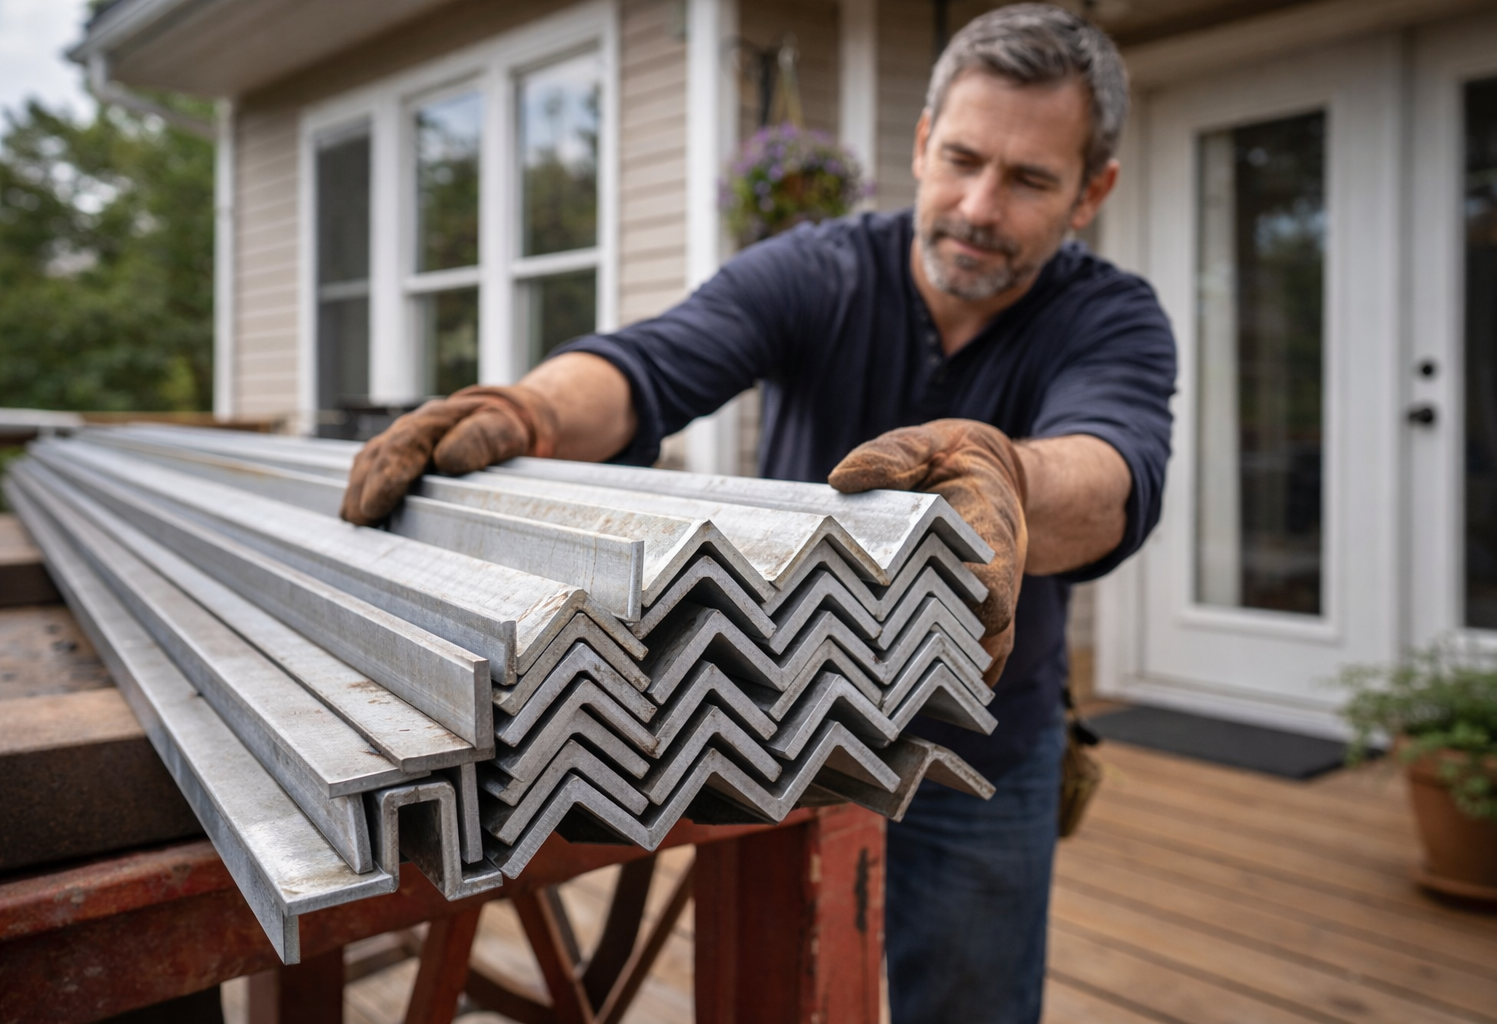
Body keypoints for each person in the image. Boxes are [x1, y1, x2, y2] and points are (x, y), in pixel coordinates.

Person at [341, 5, 1176, 1021]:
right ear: (919, 143)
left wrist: (1010, 474)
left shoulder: (1112, 315)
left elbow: (1114, 477)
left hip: (984, 753)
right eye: (959, 158)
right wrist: (530, 408)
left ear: (1094, 190)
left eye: (1030, 179)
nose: (976, 204)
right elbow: (653, 363)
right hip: (789, 735)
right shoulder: (818, 269)